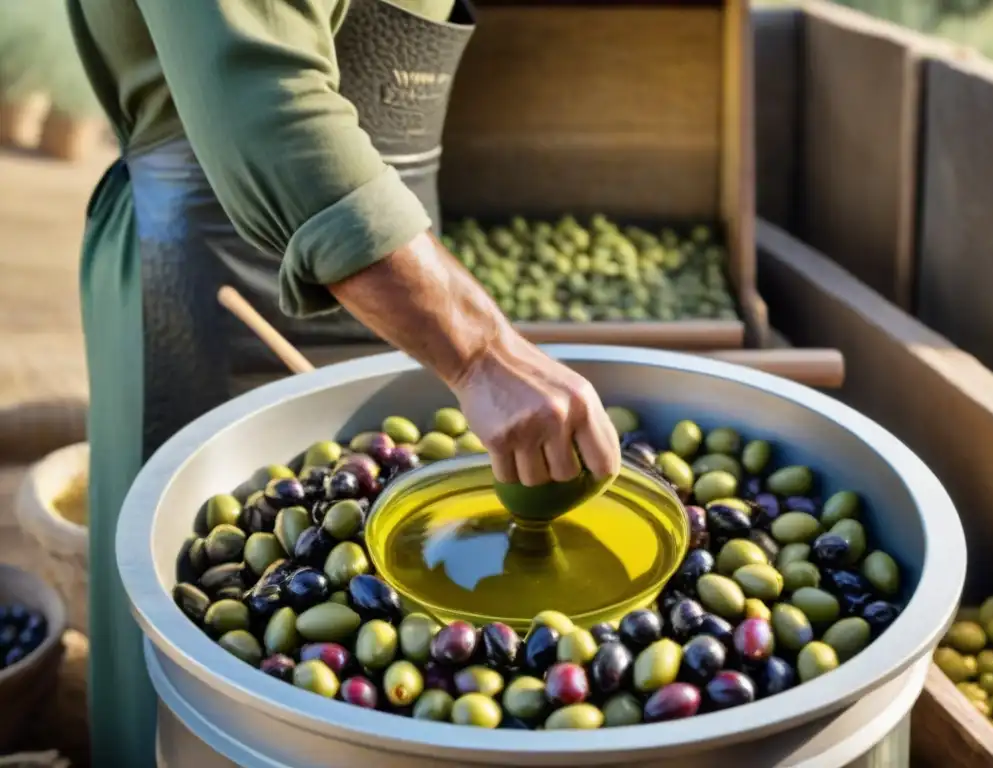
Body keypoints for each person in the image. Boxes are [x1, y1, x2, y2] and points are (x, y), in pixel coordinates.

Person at [65, 0, 621, 764]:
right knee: (208, 686)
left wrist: (451, 325)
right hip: (215, 275)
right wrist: (480, 352)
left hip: (400, 279)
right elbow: (266, 103)